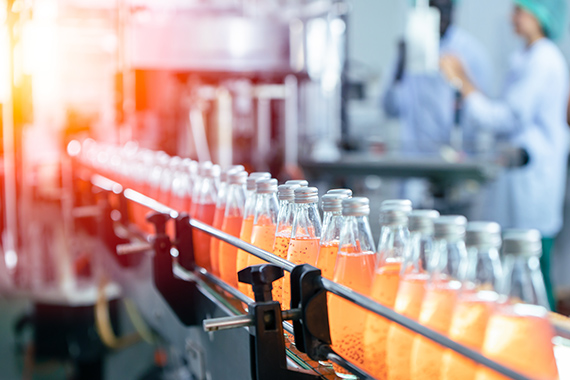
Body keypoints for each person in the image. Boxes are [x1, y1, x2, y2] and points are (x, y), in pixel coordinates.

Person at [440, 0, 568, 311]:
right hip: (521, 180)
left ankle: (547, 347)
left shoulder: (543, 60)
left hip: (532, 179)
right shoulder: (526, 57)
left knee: (534, 275)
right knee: (520, 273)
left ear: (540, 15)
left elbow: (508, 117)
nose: (513, 16)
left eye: (520, 9)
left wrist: (464, 82)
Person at [383, 0, 492, 156]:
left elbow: (482, 117)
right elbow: (390, 109)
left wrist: (461, 80)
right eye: (434, 7)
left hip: (455, 161)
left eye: (446, 7)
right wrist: (398, 72)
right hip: (413, 162)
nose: (441, 14)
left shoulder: (471, 53)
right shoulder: (410, 48)